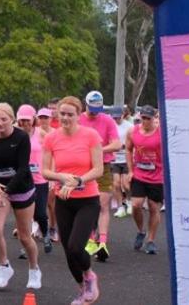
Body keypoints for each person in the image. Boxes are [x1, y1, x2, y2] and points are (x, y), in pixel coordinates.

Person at [41, 96, 103, 305]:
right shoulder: (51, 138)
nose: (65, 117)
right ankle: (82, 289)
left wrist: (78, 180)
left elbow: (98, 169)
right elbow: (45, 171)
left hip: (87, 199)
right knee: (68, 251)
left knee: (76, 246)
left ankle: (89, 276)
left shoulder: (90, 135)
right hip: (63, 200)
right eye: (62, 114)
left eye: (70, 114)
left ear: (78, 115)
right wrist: (61, 177)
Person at [0, 103, 41, 290]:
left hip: (20, 187)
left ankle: (34, 268)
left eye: (4, 119)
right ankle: (4, 266)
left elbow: (22, 168)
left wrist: (7, 189)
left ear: (12, 119)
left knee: (24, 236)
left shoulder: (21, 137)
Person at [78, 91, 120, 262]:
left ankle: (102, 242)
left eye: (98, 108)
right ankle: (90, 238)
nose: (96, 111)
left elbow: (117, 143)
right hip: (82, 167)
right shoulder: (78, 119)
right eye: (92, 108)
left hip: (103, 166)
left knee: (102, 204)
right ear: (85, 104)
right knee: (88, 205)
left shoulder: (107, 120)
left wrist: (98, 150)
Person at [126, 105, 163, 255]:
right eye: (143, 118)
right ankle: (141, 231)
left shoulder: (162, 132)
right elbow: (128, 149)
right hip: (139, 174)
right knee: (136, 205)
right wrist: (129, 171)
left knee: (154, 208)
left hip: (157, 175)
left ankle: (150, 240)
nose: (146, 121)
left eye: (149, 118)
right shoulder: (133, 131)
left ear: (154, 118)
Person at [18, 105, 53, 254]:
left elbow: (52, 153)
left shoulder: (41, 134)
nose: (24, 123)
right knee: (24, 215)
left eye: (27, 120)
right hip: (22, 179)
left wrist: (51, 174)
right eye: (21, 120)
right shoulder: (15, 133)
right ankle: (26, 245)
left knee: (40, 213)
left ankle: (45, 234)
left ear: (33, 119)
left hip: (39, 179)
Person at [37, 107, 58, 243]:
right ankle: (39, 226)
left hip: (50, 171)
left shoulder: (55, 133)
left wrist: (52, 176)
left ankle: (52, 228)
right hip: (35, 173)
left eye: (46, 117)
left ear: (51, 119)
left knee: (50, 203)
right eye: (41, 117)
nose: (43, 120)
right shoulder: (34, 133)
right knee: (37, 203)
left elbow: (56, 156)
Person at [110, 105, 134, 218]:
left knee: (126, 184)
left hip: (126, 158)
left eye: (118, 117)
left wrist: (124, 146)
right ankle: (120, 207)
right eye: (114, 117)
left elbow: (133, 142)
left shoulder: (129, 126)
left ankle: (129, 202)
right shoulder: (111, 126)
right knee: (116, 184)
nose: (116, 119)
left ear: (123, 115)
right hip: (114, 159)